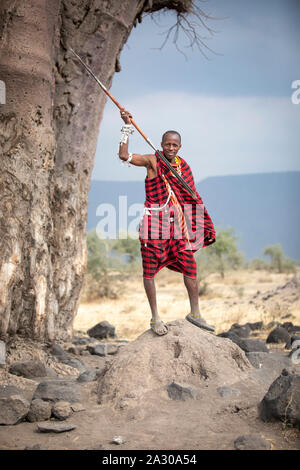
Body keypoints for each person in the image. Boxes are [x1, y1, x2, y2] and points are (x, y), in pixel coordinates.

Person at [118, 108, 216, 336]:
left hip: (175, 226)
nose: (171, 148)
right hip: (153, 225)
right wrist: (126, 127)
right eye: (167, 144)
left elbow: (190, 196)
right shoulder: (153, 161)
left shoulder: (183, 166)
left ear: (179, 147)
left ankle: (195, 314)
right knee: (149, 272)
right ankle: (155, 318)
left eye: (175, 145)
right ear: (161, 144)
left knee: (190, 265)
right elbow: (124, 156)